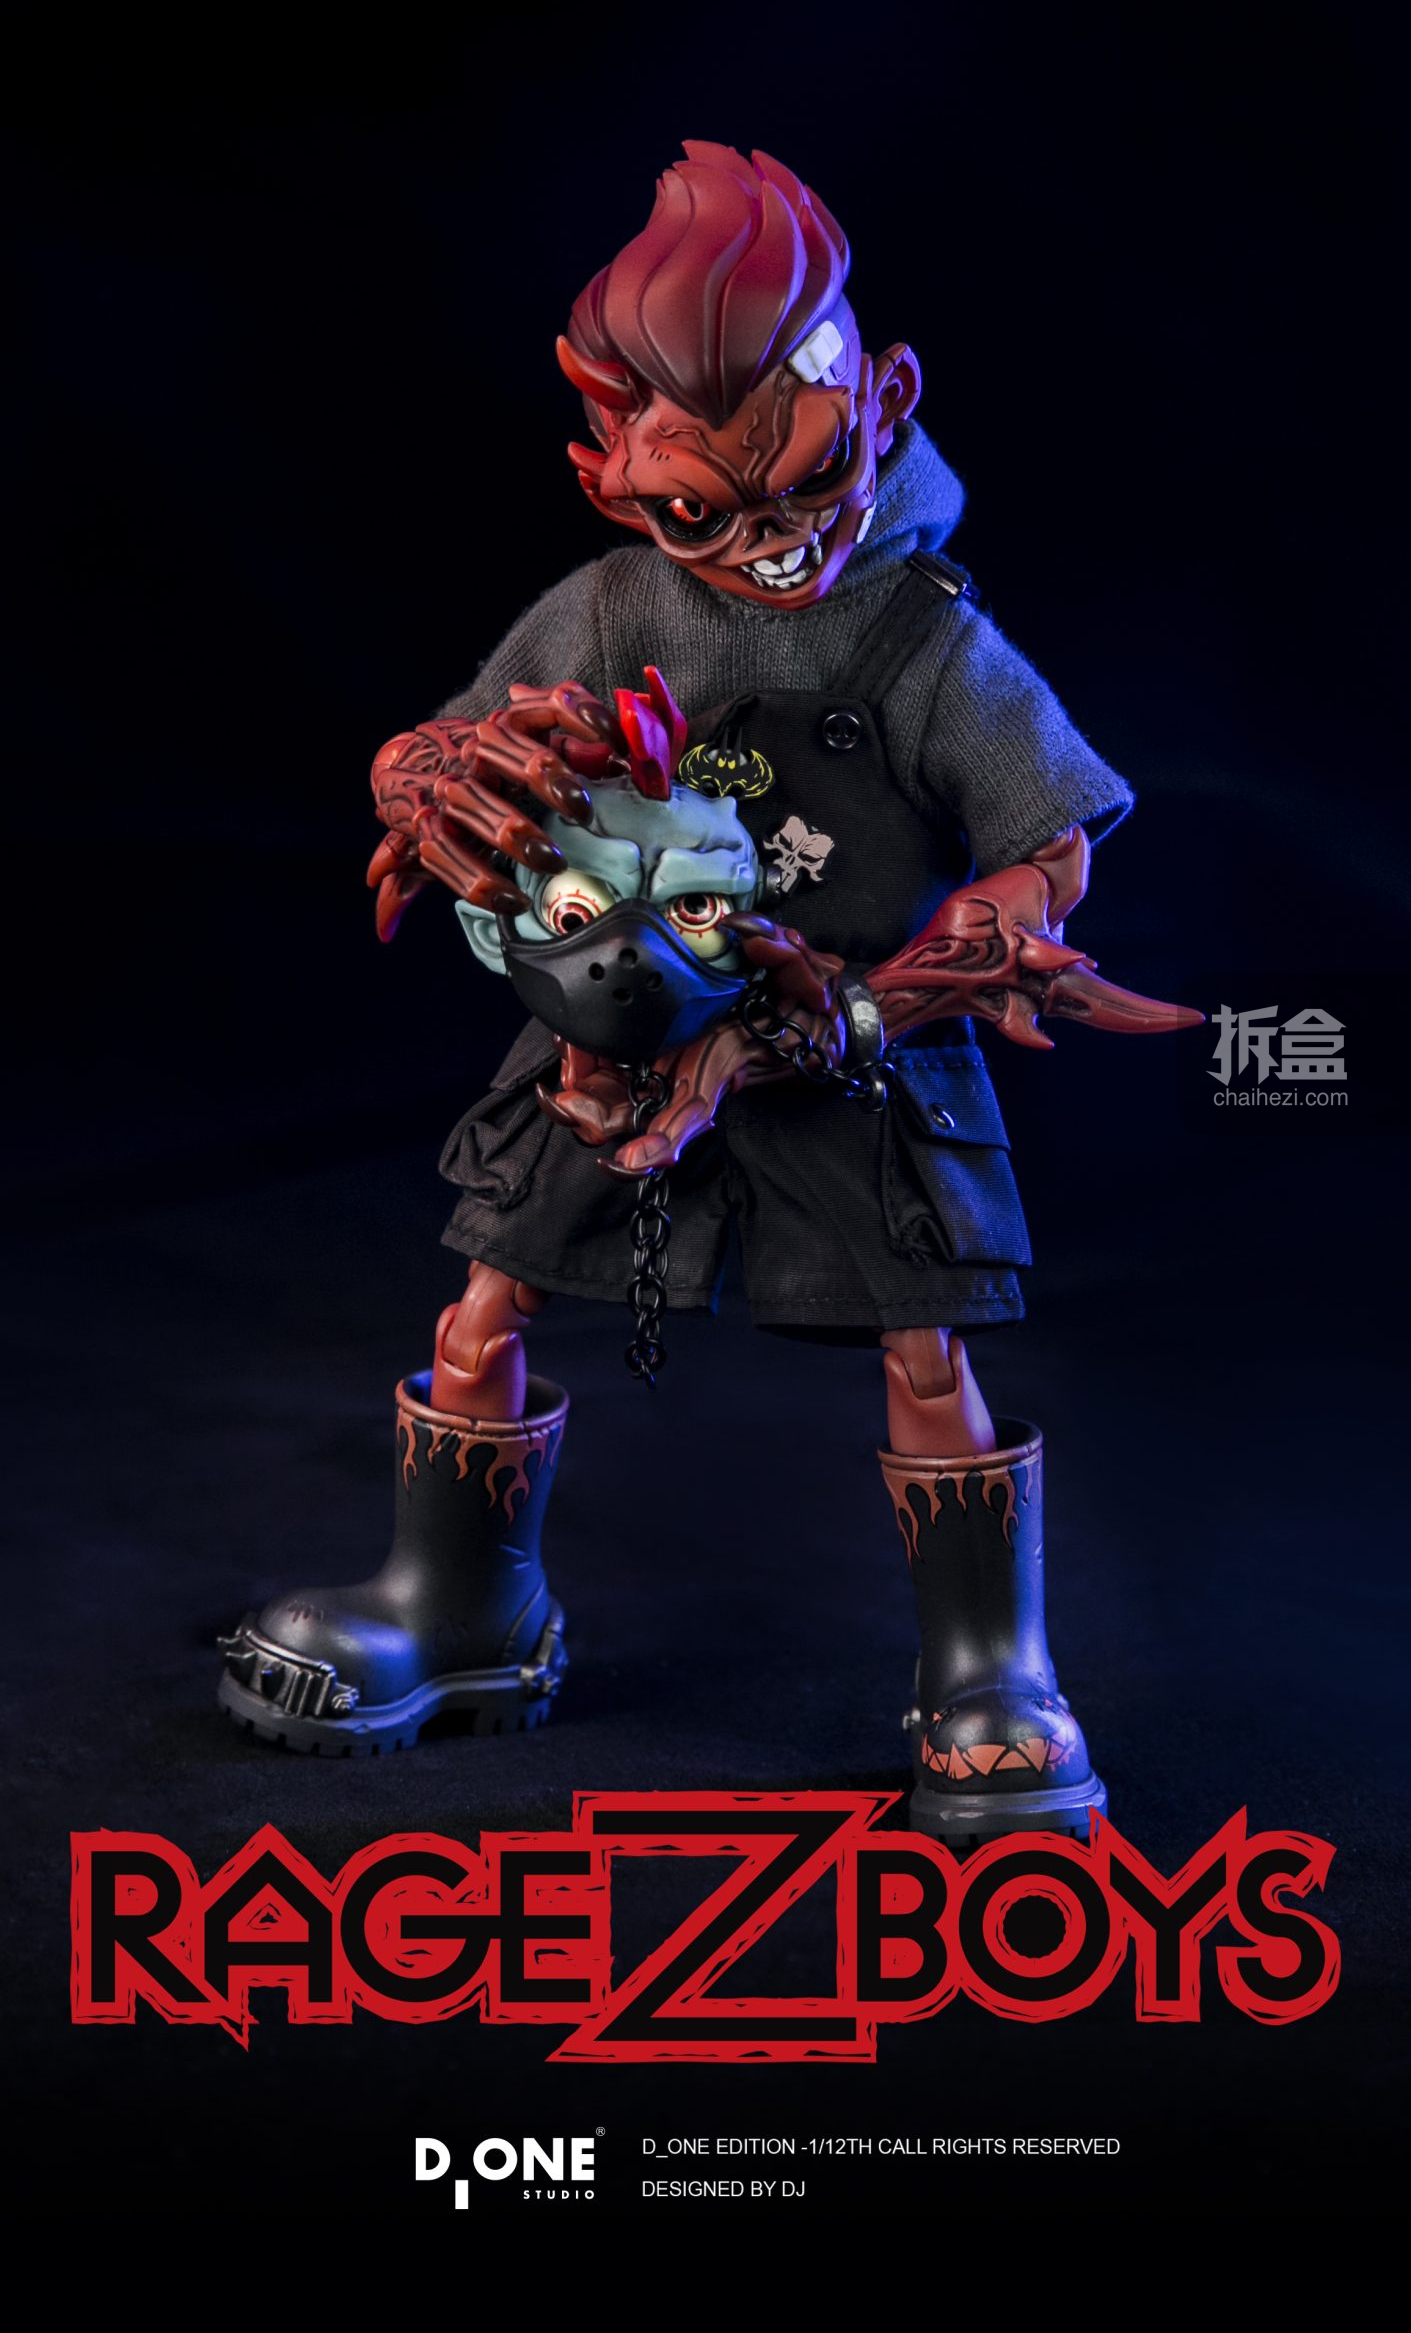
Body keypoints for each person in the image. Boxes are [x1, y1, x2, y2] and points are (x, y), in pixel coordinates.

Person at [219, 143, 1196, 1840]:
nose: (772, 544)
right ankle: (461, 1612)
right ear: (612, 472)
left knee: (924, 1356)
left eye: (807, 483)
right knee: (484, 1306)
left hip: (852, 1037)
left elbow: (1050, 853)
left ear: (883, 402)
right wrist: (425, 781)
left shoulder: (924, 643)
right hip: (624, 1021)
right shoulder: (616, 610)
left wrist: (894, 991)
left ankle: (988, 1670)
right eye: (701, 512)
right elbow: (446, 745)